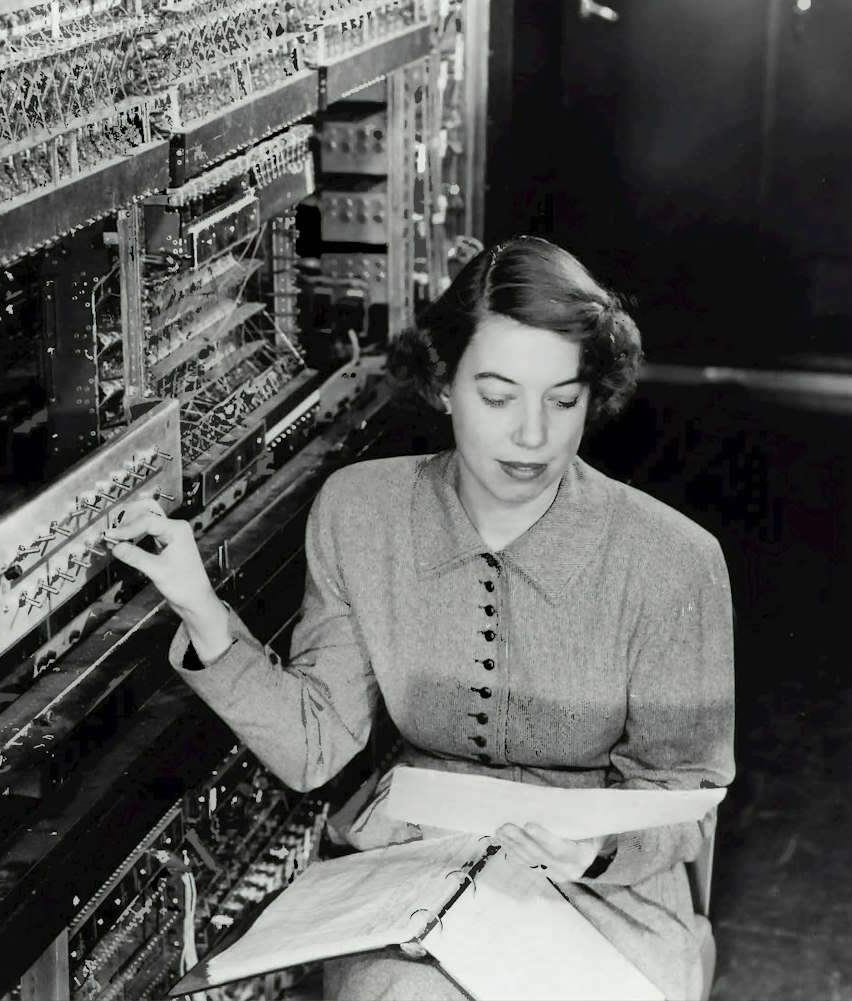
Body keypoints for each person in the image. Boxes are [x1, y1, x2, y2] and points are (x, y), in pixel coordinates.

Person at [105, 236, 736, 1000]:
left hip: (606, 893)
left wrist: (597, 846)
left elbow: (684, 798)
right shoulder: (361, 510)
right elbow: (314, 744)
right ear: (442, 384)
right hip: (411, 872)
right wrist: (199, 606)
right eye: (498, 396)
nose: (532, 436)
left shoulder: (673, 560)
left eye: (562, 399)